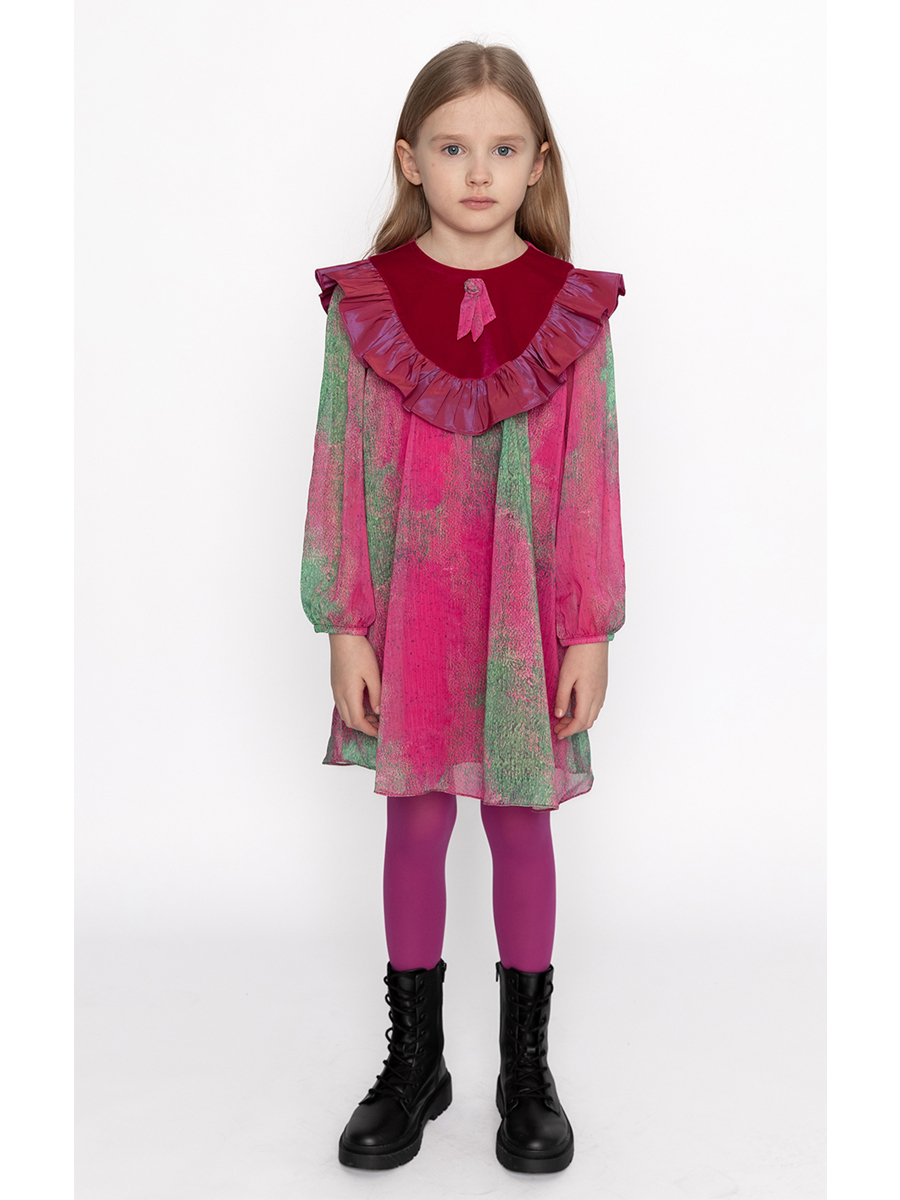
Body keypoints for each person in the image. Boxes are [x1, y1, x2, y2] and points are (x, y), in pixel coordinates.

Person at [300, 40, 625, 1175]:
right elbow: (340, 465)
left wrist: (588, 625)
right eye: (452, 148)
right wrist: (345, 621)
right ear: (411, 159)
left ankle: (525, 1071)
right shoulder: (366, 307)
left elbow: (590, 474)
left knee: (520, 819)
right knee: (417, 818)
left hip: (523, 618)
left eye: (501, 148)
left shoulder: (572, 312)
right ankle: (416, 1062)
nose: (477, 171)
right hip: (410, 610)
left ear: (538, 161)